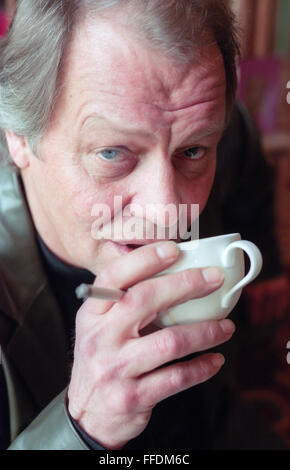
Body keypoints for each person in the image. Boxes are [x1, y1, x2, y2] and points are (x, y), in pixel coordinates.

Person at [0, 0, 286, 450]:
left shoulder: (226, 143)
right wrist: (81, 430)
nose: (167, 209)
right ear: (17, 135)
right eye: (112, 152)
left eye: (192, 152)